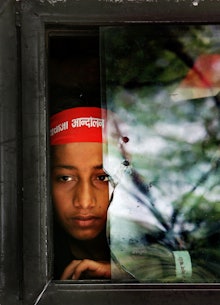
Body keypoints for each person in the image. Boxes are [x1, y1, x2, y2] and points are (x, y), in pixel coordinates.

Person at [50, 106, 111, 280]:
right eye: (65, 178)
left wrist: (124, 272)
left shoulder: (160, 238)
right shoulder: (23, 262)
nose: (84, 202)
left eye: (102, 178)